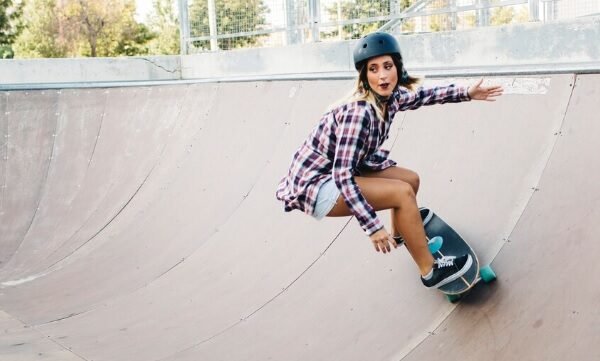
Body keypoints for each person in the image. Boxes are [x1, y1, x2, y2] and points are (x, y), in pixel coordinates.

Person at [275, 32, 503, 289]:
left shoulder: (389, 98)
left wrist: (466, 93)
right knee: (402, 193)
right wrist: (372, 227)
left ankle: (403, 232)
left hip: (337, 172)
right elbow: (342, 175)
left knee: (410, 179)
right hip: (317, 186)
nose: (382, 76)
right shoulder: (359, 113)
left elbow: (423, 96)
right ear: (364, 76)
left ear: (398, 68)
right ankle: (430, 270)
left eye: (387, 66)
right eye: (373, 69)